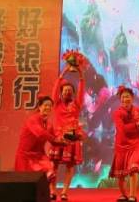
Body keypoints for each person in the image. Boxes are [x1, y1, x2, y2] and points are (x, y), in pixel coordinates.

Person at [14, 95, 66, 200]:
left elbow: (54, 140)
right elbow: (40, 133)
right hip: (25, 156)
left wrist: (65, 142)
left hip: (39, 156)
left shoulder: (48, 124)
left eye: (50, 106)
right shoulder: (33, 119)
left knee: (49, 172)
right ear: (39, 106)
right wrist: (56, 139)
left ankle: (45, 194)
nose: (48, 107)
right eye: (46, 105)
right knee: (25, 184)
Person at [50, 65, 85, 201]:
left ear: (73, 93)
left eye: (70, 90)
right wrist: (64, 72)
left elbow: (81, 89)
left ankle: (64, 192)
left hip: (72, 138)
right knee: (54, 165)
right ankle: (52, 190)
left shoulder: (76, 104)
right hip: (58, 138)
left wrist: (80, 74)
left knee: (70, 166)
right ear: (61, 93)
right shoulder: (57, 104)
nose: (67, 92)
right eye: (65, 90)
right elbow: (55, 89)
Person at [111, 86, 139, 202]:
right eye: (123, 97)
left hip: (136, 143)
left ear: (132, 98)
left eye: (127, 96)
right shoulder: (117, 113)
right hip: (121, 145)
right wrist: (137, 124)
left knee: (133, 168)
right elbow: (122, 130)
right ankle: (124, 194)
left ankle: (132, 195)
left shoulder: (138, 111)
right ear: (120, 99)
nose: (125, 99)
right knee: (121, 175)